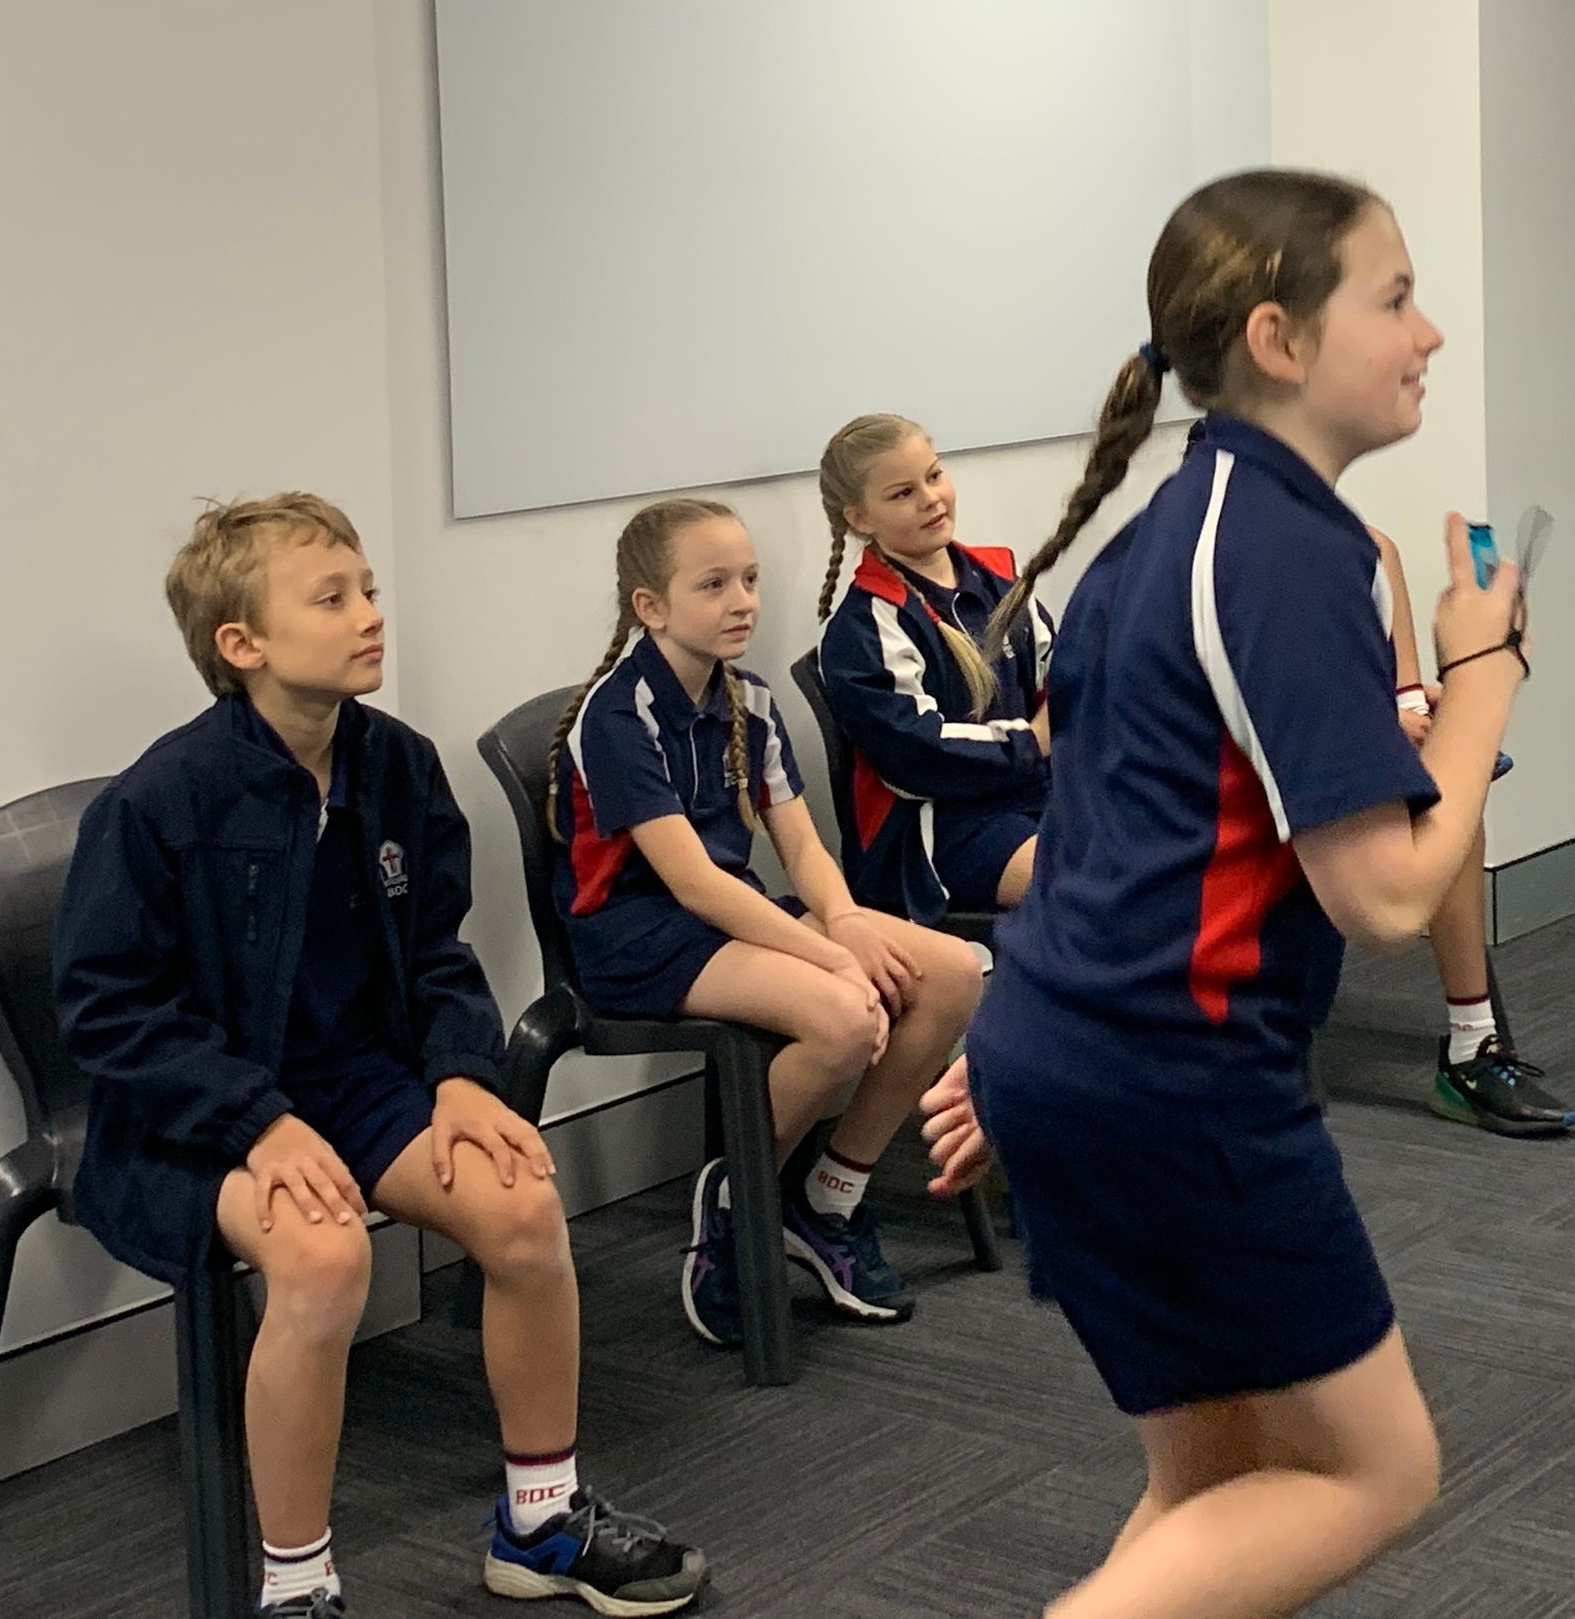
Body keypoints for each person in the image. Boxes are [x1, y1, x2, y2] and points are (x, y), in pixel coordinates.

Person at [966, 167, 1527, 1619]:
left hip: (1091, 1056)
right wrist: (1482, 673)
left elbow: (1119, 816)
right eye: (1395, 300)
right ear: (1279, 339)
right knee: (1377, 1472)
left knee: (1215, 1490)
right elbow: (1387, 897)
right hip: (1176, 1080)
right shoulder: (1281, 547)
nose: (1429, 334)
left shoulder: (1183, 525)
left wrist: (1017, 1053)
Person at [53, 494, 706, 1617]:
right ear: (242, 644)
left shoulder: (398, 766)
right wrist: (256, 1120)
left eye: (368, 590)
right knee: (323, 1260)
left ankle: (541, 1521)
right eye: (332, 598)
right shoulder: (160, 799)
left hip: (352, 1083)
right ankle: (297, 1583)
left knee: (520, 1204)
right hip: (191, 1108)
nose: (369, 614)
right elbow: (109, 1011)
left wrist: (461, 1077)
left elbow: (438, 954)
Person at [550, 496, 982, 1337]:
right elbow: (694, 886)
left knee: (953, 974)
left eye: (748, 580)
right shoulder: (619, 714)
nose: (743, 601)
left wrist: (844, 921)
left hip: (731, 917)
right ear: (650, 606)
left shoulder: (749, 697)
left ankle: (829, 1197)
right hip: (639, 937)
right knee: (846, 1017)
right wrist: (834, 959)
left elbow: (803, 846)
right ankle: (735, 1201)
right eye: (713, 585)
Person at [1370, 524, 1575, 1135]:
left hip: (1342, 759)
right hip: (1256, 775)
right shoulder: (1231, 551)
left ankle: (1471, 1047)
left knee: (1449, 797)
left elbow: (1405, 697)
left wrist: (1430, 716)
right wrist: (1372, 724)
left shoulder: (1373, 550)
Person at [815, 414, 1052, 923]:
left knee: (1164, 846)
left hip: (1031, 791)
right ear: (860, 517)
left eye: (934, 475)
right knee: (1091, 885)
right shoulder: (863, 628)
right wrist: (1032, 741)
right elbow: (917, 754)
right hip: (939, 828)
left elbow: (1060, 674)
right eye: (903, 493)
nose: (930, 498)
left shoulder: (998, 577)